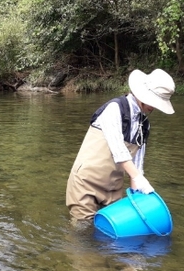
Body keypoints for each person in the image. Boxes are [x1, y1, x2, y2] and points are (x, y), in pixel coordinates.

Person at [66, 69, 175, 221]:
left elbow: (137, 165)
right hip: (86, 182)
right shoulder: (114, 109)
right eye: (155, 101)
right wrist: (139, 178)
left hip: (113, 189)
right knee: (82, 231)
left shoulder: (144, 126)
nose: (155, 107)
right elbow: (118, 150)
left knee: (113, 237)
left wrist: (137, 195)